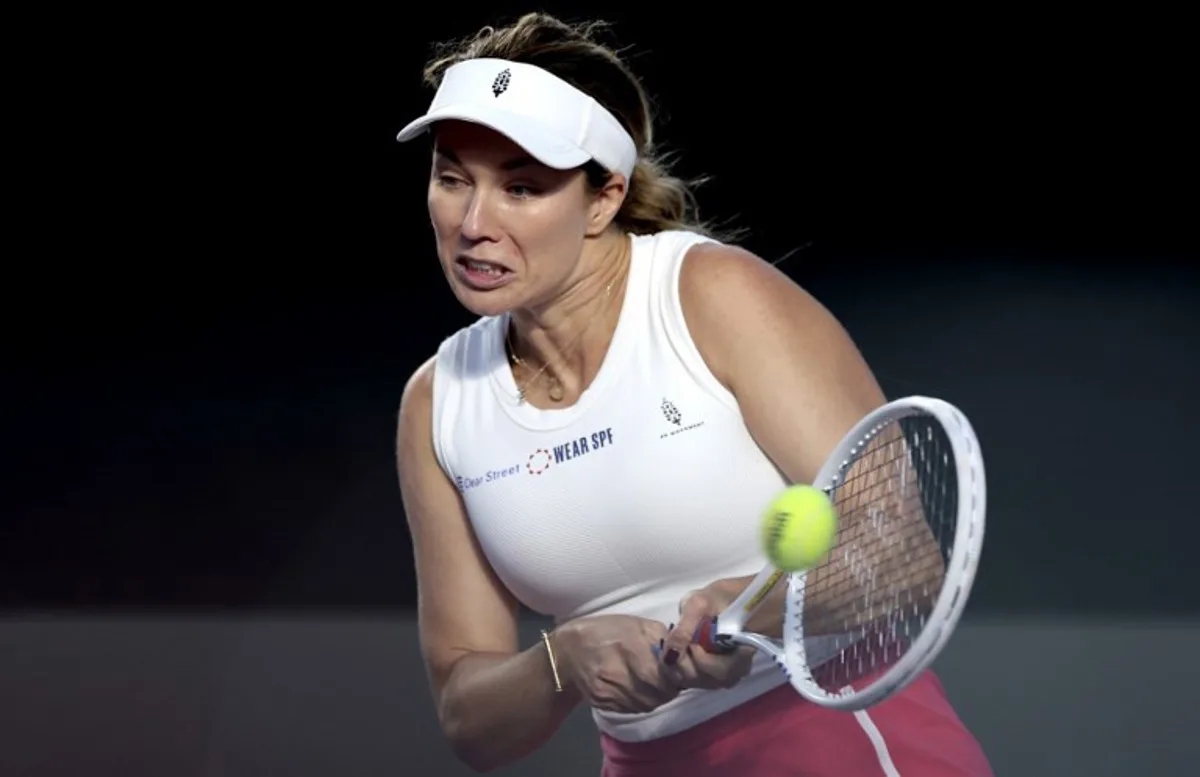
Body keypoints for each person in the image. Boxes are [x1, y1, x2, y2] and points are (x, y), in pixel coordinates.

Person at [394, 12, 994, 777]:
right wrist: (562, 661)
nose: (473, 223)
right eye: (452, 178)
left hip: (838, 740)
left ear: (605, 197)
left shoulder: (711, 294)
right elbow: (470, 722)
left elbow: (907, 558)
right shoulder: (436, 406)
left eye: (522, 187)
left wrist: (752, 610)